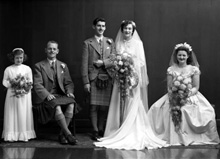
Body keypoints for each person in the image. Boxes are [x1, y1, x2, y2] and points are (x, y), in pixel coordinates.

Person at [94, 20, 167, 150]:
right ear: (122, 30)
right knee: (118, 102)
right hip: (120, 77)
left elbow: (141, 62)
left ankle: (133, 129)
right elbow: (114, 58)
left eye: (129, 29)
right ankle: (117, 128)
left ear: (133, 31)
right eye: (125, 29)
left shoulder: (138, 44)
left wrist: (130, 68)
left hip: (132, 78)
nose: (127, 31)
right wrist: (120, 65)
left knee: (132, 102)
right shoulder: (118, 43)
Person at [148, 42, 220, 146]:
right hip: (174, 94)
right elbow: (169, 86)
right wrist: (174, 95)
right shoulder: (171, 69)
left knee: (194, 110)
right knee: (158, 108)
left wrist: (186, 94)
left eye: (183, 55)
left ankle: (190, 136)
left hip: (190, 95)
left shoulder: (193, 69)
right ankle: (173, 137)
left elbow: (196, 86)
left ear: (188, 56)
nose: (181, 57)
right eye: (179, 55)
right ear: (176, 56)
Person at [33, 40, 77, 145]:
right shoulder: (39, 66)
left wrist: (69, 92)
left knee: (71, 104)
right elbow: (37, 85)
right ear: (46, 50)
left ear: (57, 51)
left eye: (54, 49)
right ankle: (68, 134)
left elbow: (68, 83)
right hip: (46, 97)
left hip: (61, 95)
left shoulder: (63, 65)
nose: (52, 51)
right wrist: (47, 95)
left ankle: (62, 134)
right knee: (57, 106)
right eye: (49, 48)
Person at [81, 17, 115, 140]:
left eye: (103, 26)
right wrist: (86, 82)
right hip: (93, 78)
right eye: (99, 25)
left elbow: (114, 58)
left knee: (104, 106)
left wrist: (103, 63)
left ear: (105, 28)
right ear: (94, 27)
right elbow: (84, 64)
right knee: (94, 105)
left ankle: (101, 129)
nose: (101, 28)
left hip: (108, 77)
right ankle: (95, 130)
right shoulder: (87, 43)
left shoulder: (110, 42)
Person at [2, 48, 36, 142]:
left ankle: (24, 134)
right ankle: (11, 135)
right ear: (13, 58)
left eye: (21, 58)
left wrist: (25, 86)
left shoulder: (27, 68)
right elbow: (4, 81)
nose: (19, 60)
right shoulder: (8, 69)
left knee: (23, 112)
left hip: (24, 95)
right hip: (12, 93)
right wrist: (12, 84)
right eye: (17, 58)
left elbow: (30, 81)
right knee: (12, 112)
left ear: (23, 57)